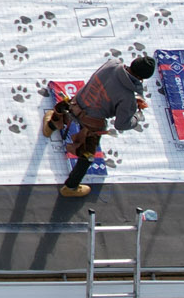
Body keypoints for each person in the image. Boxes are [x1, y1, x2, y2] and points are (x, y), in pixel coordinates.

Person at [59, 55, 156, 198]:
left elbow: (108, 86)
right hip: (90, 124)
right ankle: (70, 187)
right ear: (143, 78)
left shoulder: (112, 63)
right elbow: (121, 124)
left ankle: (50, 125)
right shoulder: (128, 98)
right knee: (87, 155)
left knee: (60, 114)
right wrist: (136, 115)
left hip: (76, 102)